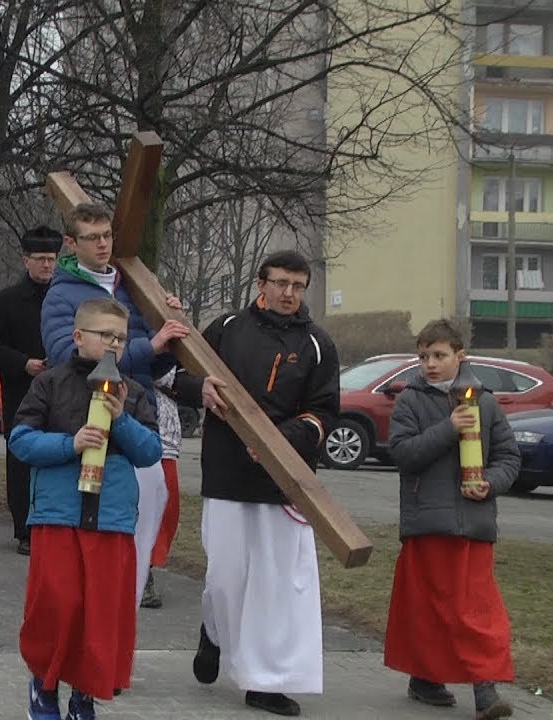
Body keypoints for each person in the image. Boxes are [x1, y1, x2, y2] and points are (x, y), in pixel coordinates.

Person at [180, 249, 340, 717]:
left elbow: (325, 410)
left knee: (276, 586)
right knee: (227, 578)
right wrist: (199, 390)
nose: (289, 293)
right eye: (281, 283)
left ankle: (265, 681)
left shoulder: (317, 344)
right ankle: (214, 628)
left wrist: (284, 439)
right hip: (227, 473)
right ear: (261, 284)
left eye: (297, 286)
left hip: (282, 481)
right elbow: (181, 375)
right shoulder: (227, 328)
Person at [11, 297, 162, 720]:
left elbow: (150, 452)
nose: (114, 345)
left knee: (97, 617)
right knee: (55, 608)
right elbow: (21, 441)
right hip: (58, 516)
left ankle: (83, 694)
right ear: (79, 337)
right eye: (105, 336)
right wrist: (70, 444)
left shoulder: (132, 392)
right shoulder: (51, 383)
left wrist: (123, 421)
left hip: (110, 519)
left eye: (121, 337)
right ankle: (43, 688)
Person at [41, 202, 185, 608]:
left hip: (133, 410)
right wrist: (148, 344)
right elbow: (63, 355)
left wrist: (169, 329)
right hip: (84, 414)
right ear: (71, 244)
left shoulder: (131, 284)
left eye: (107, 235)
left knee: (151, 496)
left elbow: (156, 361)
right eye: (92, 237)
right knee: (95, 512)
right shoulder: (61, 295)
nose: (103, 244)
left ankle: (137, 581)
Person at [385, 319, 519, 720]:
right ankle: (426, 678)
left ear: (461, 357)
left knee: (477, 611)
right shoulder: (410, 400)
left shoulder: (486, 402)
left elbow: (509, 458)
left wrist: (490, 484)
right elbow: (404, 454)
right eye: (424, 356)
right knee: (429, 609)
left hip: (474, 524)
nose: (430, 364)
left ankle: (485, 692)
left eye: (439, 356)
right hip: (428, 522)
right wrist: (449, 427)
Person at [0, 225, 62, 555]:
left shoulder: (64, 298)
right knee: (21, 461)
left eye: (52, 259)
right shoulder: (5, 301)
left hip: (61, 391)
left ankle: (54, 521)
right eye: (41, 259)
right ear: (25, 260)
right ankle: (24, 528)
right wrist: (24, 363)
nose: (47, 265)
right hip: (22, 389)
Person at [141, 366, 183, 609]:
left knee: (168, 507)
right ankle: (141, 569)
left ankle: (148, 564)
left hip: (167, 434)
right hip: (144, 423)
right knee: (146, 505)